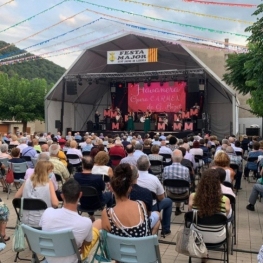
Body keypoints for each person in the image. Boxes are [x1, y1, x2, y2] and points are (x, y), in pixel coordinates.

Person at [40, 179, 102, 262]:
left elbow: (43, 229)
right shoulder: (86, 222)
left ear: (62, 196)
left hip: (50, 259)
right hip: (73, 260)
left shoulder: (47, 212)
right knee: (98, 223)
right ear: (80, 195)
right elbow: (86, 245)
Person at [101, 163, 151, 237]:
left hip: (117, 248)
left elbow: (105, 240)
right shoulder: (141, 205)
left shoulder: (107, 214)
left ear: (111, 188)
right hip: (143, 247)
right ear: (130, 188)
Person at [188, 169, 231, 243]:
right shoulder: (225, 200)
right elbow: (226, 217)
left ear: (201, 182)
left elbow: (190, 212)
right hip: (218, 237)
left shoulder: (193, 197)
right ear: (218, 183)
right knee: (229, 217)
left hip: (197, 236)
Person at [15, 161, 59, 227]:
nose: (52, 172)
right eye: (51, 170)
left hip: (25, 220)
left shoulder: (27, 181)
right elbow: (55, 204)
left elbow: (16, 197)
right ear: (46, 171)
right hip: (43, 221)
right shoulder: (49, 183)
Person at [137, 155, 172, 236]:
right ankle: (166, 229)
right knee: (168, 201)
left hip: (135, 205)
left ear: (136, 165)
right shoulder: (154, 179)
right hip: (151, 207)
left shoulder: (131, 178)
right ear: (149, 166)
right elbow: (161, 197)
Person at [74, 156, 113, 221]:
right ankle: (108, 216)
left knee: (89, 195)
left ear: (82, 165)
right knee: (110, 195)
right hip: (98, 203)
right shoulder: (98, 178)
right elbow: (103, 188)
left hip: (83, 203)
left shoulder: (76, 176)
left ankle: (91, 215)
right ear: (93, 165)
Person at [129, 165, 160, 235]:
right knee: (158, 216)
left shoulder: (118, 192)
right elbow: (148, 214)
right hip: (141, 223)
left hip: (124, 223)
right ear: (137, 175)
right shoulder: (145, 192)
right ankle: (149, 237)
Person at [163, 149, 191, 215]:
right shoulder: (186, 169)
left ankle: (177, 208)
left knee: (175, 187)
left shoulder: (166, 168)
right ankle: (180, 209)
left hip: (170, 194)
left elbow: (163, 181)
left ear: (171, 158)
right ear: (182, 158)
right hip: (184, 194)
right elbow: (189, 182)